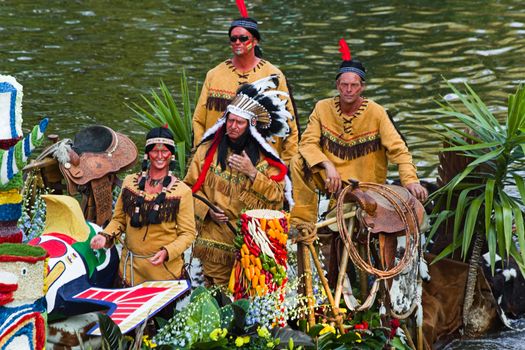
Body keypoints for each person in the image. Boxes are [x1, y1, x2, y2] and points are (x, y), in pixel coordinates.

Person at [290, 39, 428, 225]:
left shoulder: (377, 112)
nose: (348, 90)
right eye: (344, 85)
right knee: (298, 161)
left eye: (354, 85)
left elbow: (398, 149)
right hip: (333, 180)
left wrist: (411, 181)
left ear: (362, 87)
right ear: (337, 86)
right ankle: (303, 222)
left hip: (366, 185)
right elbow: (307, 143)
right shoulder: (322, 107)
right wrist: (328, 165)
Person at [184, 75, 293, 286]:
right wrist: (208, 211)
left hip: (252, 241)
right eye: (230, 121)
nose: (233, 126)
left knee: (252, 295)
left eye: (239, 123)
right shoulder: (206, 152)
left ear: (250, 125)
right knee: (218, 297)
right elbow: (187, 189)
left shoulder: (264, 160)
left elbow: (277, 200)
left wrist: (252, 173)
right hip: (215, 240)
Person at [192, 1, 298, 164]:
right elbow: (198, 120)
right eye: (233, 39)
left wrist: (287, 163)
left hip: (262, 163)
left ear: (255, 41)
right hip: (217, 160)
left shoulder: (273, 75)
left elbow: (290, 125)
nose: (237, 42)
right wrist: (202, 151)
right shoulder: (214, 74)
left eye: (243, 38)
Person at [90, 127, 196, 286]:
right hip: (130, 270)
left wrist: (167, 252)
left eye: (165, 152)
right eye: (155, 151)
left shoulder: (182, 192)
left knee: (162, 311)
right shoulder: (130, 184)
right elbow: (119, 220)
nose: (160, 156)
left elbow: (188, 234)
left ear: (171, 155)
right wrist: (104, 236)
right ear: (147, 154)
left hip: (164, 273)